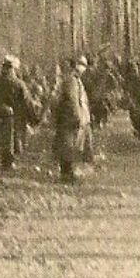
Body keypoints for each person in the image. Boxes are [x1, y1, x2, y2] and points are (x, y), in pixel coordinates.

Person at [0, 57, 38, 171]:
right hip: (12, 118)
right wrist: (34, 119)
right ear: (14, 69)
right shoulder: (18, 84)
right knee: (10, 141)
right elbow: (27, 103)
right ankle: (7, 163)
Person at [52, 55, 93, 183]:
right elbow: (72, 100)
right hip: (71, 119)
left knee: (74, 147)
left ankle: (69, 172)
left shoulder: (75, 80)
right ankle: (67, 174)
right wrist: (78, 117)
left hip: (75, 118)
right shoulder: (71, 81)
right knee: (68, 146)